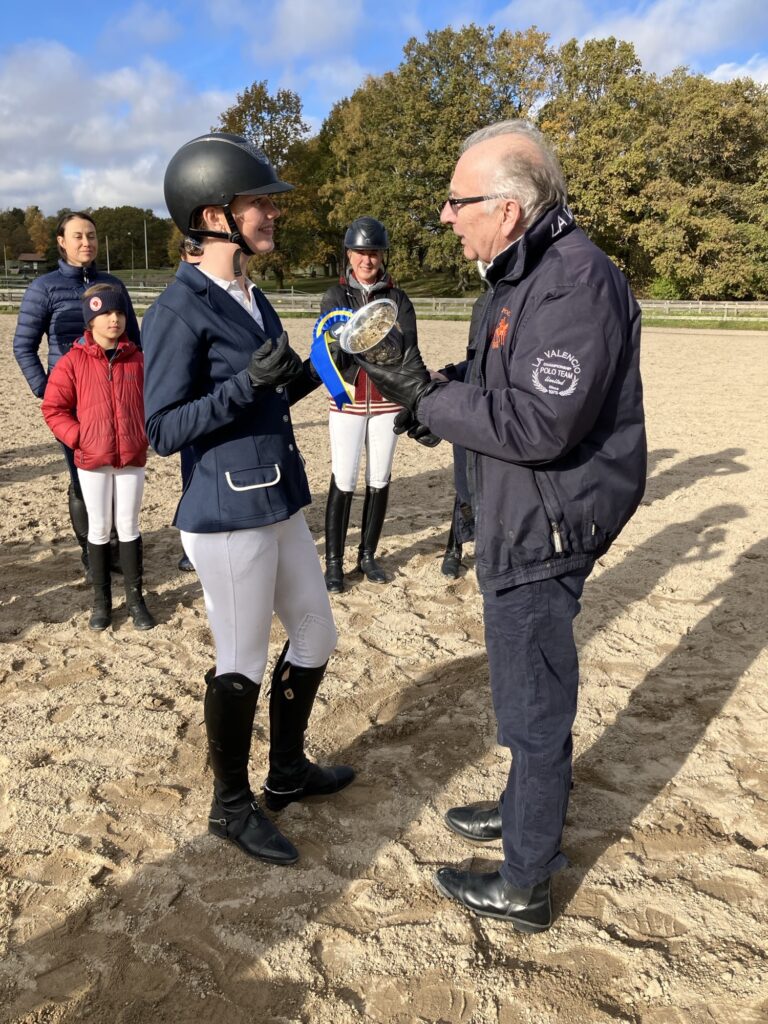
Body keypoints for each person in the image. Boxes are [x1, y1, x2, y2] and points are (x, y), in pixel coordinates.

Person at [353, 120, 646, 931]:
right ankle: (525, 810)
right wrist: (429, 397)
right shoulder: (520, 274)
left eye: (458, 201)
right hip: (521, 509)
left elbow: (542, 423)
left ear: (508, 209)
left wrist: (426, 394)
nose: (447, 216)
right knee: (524, 686)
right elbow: (493, 382)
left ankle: (526, 878)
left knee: (534, 702)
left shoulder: (573, 282)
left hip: (544, 522)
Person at [141, 131, 354, 867]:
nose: (272, 212)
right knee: (242, 661)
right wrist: (245, 385)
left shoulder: (251, 296)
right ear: (214, 216)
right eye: (259, 201)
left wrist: (325, 361)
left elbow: (273, 393)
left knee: (317, 632)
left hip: (278, 497)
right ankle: (230, 806)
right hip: (226, 512)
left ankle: (287, 771)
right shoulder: (177, 310)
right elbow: (163, 429)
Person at [13, 212, 141, 582]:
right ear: (61, 242)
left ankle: (114, 546)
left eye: (92, 236)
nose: (87, 242)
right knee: (82, 476)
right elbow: (23, 346)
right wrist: (46, 389)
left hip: (116, 395)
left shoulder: (113, 285)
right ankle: (91, 551)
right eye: (78, 236)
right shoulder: (44, 288)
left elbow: (136, 341)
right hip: (75, 401)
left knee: (119, 474)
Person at [41, 283, 156, 632]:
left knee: (130, 525)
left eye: (119, 312)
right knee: (100, 527)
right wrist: (80, 438)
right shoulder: (72, 362)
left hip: (131, 457)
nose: (114, 319)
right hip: (92, 459)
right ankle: (101, 602)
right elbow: (53, 408)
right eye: (105, 313)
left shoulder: (139, 360)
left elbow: (155, 402)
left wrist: (144, 434)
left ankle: (136, 600)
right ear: (90, 320)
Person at [320, 217, 420, 592]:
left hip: (386, 402)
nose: (367, 260)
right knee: (343, 477)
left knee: (379, 477)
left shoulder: (399, 300)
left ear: (382, 256)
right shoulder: (335, 296)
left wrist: (415, 398)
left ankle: (367, 555)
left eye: (374, 253)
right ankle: (334, 563)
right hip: (347, 397)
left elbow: (410, 353)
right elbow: (331, 348)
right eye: (361, 252)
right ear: (349, 254)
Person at [440, 287, 489, 578]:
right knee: (467, 477)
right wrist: (448, 375)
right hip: (479, 392)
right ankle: (454, 546)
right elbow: (473, 359)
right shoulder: (484, 303)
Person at [175, 236, 204, 574]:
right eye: (192, 250)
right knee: (191, 474)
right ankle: (190, 547)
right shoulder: (179, 299)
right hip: (191, 403)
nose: (197, 256)